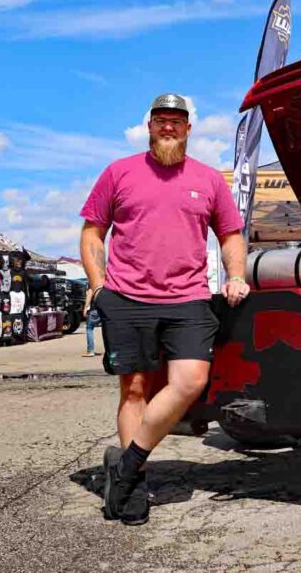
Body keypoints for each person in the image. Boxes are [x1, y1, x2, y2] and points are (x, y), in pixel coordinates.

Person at [79, 93, 250, 526]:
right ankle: (134, 487)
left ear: (189, 128)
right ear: (149, 126)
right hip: (128, 297)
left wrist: (234, 275)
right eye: (161, 121)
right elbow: (93, 232)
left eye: (177, 121)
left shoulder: (209, 179)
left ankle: (127, 464)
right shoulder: (119, 173)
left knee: (190, 381)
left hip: (189, 297)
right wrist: (99, 287)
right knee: (134, 390)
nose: (168, 127)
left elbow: (230, 234)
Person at [82, 287, 101, 357]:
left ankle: (90, 350)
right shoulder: (103, 283)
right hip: (103, 309)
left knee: (89, 328)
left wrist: (85, 308)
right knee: (106, 329)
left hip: (94, 310)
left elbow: (89, 296)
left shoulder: (92, 285)